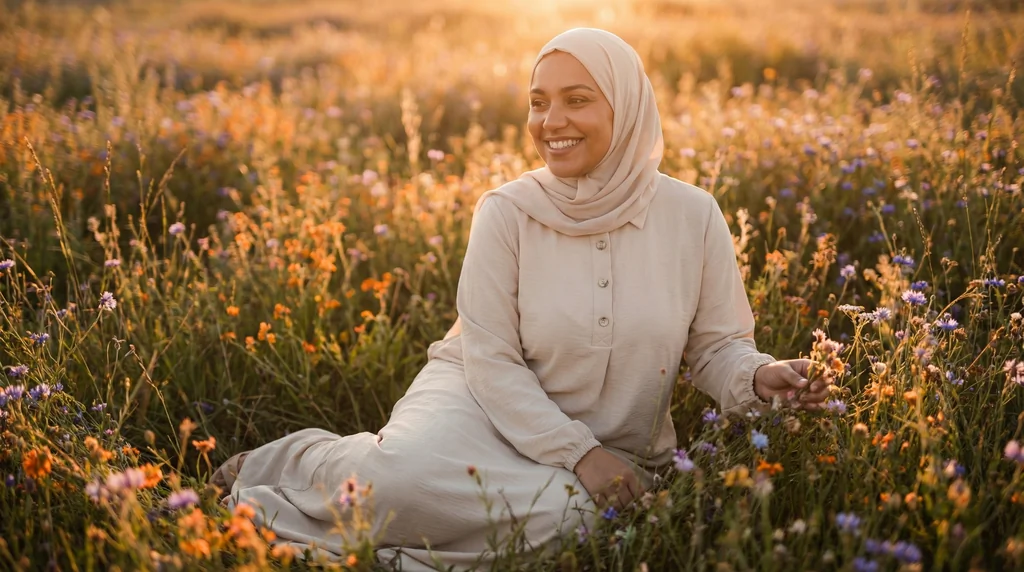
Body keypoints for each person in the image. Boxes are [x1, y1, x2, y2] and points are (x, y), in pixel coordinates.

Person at [211, 27, 833, 571]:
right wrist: (578, 455)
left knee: (572, 524)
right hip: (478, 400)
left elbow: (715, 347)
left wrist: (758, 377)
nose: (550, 122)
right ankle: (297, 462)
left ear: (628, 108)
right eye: (538, 103)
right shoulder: (507, 211)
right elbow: (490, 357)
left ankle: (403, 544)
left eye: (577, 100)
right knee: (397, 482)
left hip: (610, 431)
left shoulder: (693, 216)